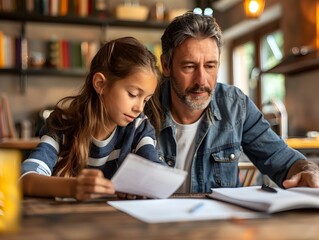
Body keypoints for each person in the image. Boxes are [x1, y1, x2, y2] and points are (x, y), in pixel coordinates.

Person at [152, 12, 319, 193]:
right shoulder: (141, 105)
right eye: (189, 66)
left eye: (210, 66)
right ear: (167, 66)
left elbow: (282, 159)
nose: (201, 80)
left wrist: (307, 170)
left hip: (219, 220)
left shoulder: (235, 106)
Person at [20, 36, 164, 201]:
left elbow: (158, 176)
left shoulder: (139, 128)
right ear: (100, 84)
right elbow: (25, 179)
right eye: (133, 94)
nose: (139, 108)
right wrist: (74, 187)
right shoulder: (62, 125)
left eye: (145, 99)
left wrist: (144, 185)